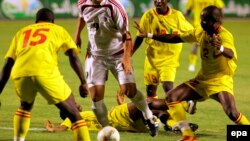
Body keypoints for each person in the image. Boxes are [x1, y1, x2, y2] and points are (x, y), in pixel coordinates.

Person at [134, 5, 250, 141]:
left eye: (205, 20)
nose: (202, 23)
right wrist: (149, 35)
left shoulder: (225, 35)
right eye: (201, 19)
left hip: (221, 81)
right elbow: (175, 37)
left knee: (232, 113)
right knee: (172, 97)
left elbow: (231, 53)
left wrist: (221, 47)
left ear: (216, 22)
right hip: (202, 80)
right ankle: (188, 135)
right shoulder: (200, 31)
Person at [0, 8, 91, 141]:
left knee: (25, 106)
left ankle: (18, 139)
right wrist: (83, 81)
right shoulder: (57, 29)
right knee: (75, 115)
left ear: (36, 21)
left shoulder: (22, 32)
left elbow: (8, 63)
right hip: (44, 73)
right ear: (52, 21)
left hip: (20, 73)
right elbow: (72, 55)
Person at [74, 0, 158, 137]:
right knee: (95, 98)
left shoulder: (115, 7)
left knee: (129, 91)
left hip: (118, 54)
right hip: (95, 56)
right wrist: (77, 34)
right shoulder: (82, 3)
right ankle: (107, 131)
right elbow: (82, 17)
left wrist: (126, 59)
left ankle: (149, 117)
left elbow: (127, 35)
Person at [44, 92, 198, 133]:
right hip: (117, 117)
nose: (75, 104)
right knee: (147, 102)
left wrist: (121, 104)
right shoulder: (72, 119)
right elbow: (63, 128)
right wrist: (54, 129)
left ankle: (177, 125)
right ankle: (185, 103)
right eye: (72, 104)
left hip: (127, 125)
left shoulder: (81, 118)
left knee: (156, 112)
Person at [133, 0, 194, 100]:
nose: (158, 1)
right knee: (150, 91)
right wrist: (128, 54)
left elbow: (192, 33)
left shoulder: (177, 16)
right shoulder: (148, 15)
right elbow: (140, 37)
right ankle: (154, 114)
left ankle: (183, 105)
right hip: (152, 59)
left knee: (167, 87)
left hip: (169, 59)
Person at [185, 0, 224, 72]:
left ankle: (214, 65)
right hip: (200, 25)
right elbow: (187, 11)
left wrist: (220, 21)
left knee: (213, 44)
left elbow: (220, 8)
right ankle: (192, 64)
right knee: (197, 44)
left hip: (210, 25)